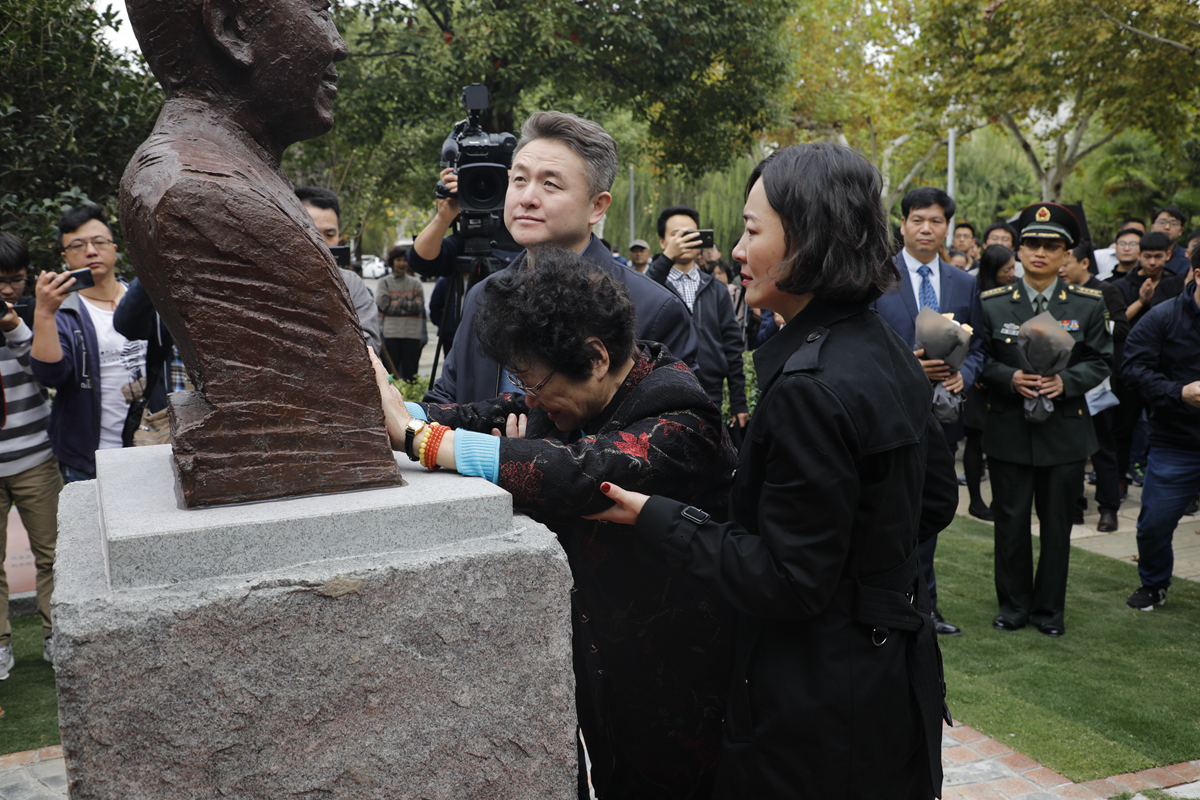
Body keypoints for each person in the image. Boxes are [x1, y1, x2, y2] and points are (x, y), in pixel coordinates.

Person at [593, 143, 959, 800]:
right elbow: (930, 503)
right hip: (889, 681)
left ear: (810, 239)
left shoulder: (810, 387)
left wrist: (659, 517)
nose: (735, 249)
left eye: (752, 231)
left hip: (815, 707)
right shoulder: (884, 349)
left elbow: (787, 581)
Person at [372, 247, 738, 799]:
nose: (532, 398)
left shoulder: (683, 417)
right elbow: (480, 416)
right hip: (604, 662)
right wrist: (390, 408)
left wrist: (419, 440)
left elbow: (580, 473)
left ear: (594, 356)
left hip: (680, 675)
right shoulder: (577, 394)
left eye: (536, 384)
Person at [424, 111, 696, 405]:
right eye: (519, 179)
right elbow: (448, 398)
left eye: (550, 184)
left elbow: (675, 433)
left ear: (597, 207)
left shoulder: (655, 310)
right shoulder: (483, 296)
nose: (527, 197)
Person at [979, 202, 1112, 638]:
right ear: (1018, 250)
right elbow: (980, 360)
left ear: (1066, 254)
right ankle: (1013, 607)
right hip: (1009, 429)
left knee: (1058, 528)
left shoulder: (1089, 304)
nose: (1040, 252)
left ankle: (1049, 611)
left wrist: (1067, 382)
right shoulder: (994, 304)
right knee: (1011, 524)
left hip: (1065, 433)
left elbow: (1102, 360)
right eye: (1031, 243)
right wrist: (1009, 376)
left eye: (1051, 245)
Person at [872, 185, 983, 637]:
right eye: (917, 219)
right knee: (890, 511)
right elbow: (866, 341)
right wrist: (907, 365)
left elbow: (980, 349)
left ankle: (927, 605)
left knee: (933, 512)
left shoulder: (964, 282)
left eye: (936, 221)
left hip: (942, 417)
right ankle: (893, 599)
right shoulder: (879, 276)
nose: (926, 228)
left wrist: (965, 376)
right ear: (902, 224)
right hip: (889, 414)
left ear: (947, 227)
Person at [31, 205, 147, 482]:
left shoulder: (142, 298)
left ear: (114, 248)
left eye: (99, 242)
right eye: (78, 245)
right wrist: (44, 313)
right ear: (65, 257)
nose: (91, 251)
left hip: (149, 443)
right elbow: (51, 376)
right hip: (87, 456)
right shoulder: (62, 310)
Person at [1120, 245, 1200, 610]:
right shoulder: (1162, 317)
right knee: (1153, 524)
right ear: (1197, 275)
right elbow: (1133, 373)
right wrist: (1178, 392)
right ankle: (1154, 584)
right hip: (1176, 441)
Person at [0, 233, 62, 676]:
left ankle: (57, 636)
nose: (8, 290)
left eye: (17, 280)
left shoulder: (32, 312)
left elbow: (44, 371)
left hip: (35, 456)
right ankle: (1, 645)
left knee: (54, 555)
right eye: (0, 281)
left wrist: (17, 326)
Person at [648, 205, 749, 428]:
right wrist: (666, 259)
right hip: (663, 391)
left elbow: (732, 345)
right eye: (676, 234)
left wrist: (739, 401)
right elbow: (640, 299)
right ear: (662, 241)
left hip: (710, 390)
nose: (684, 240)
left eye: (690, 234)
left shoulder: (716, 288)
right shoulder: (654, 284)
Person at [1058, 239, 1129, 533]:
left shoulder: (1106, 291)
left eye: (1066, 262)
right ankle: (1074, 505)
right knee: (1070, 448)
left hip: (1097, 384)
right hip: (1064, 382)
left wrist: (1091, 328)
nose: (1060, 268)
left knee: (1102, 447)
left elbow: (1123, 327)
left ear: (1085, 263)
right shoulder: (1060, 293)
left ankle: (1108, 507)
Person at [961, 244, 1018, 521]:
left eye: (1013, 267)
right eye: (1006, 269)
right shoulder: (976, 293)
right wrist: (979, 375)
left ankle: (1001, 499)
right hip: (977, 380)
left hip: (1005, 379)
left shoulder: (1016, 291)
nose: (1012, 273)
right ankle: (975, 500)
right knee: (976, 439)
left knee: (1002, 440)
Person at [294, 186, 382, 354]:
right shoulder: (270, 276)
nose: (321, 242)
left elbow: (370, 346)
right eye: (310, 230)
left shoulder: (351, 284)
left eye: (330, 234)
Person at [1115, 231, 1185, 327]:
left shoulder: (1175, 283)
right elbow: (1117, 322)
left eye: (1158, 256)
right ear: (1139, 255)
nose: (1152, 262)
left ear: (1168, 255)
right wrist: (1140, 302)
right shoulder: (1121, 285)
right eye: (1147, 256)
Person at [376, 247, 425, 381]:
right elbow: (385, 307)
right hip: (391, 334)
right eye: (398, 260)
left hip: (412, 334)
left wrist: (398, 302)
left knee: (411, 375)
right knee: (390, 376)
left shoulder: (416, 283)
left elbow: (419, 307)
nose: (402, 263)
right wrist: (409, 303)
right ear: (392, 262)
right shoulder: (384, 282)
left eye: (405, 260)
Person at [1151, 206, 1190, 275]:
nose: (1167, 227)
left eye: (1173, 223)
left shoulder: (1187, 258)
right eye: (1162, 222)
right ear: (1152, 228)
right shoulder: (1141, 255)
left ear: (1181, 231)